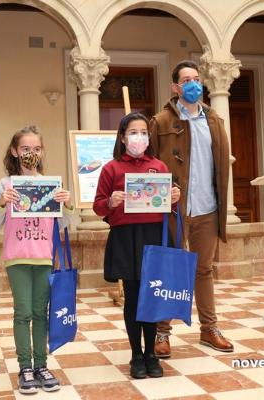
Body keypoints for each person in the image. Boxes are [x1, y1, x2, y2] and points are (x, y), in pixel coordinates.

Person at [149, 60, 234, 359]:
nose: (192, 84)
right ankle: (162, 331)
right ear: (175, 86)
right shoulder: (160, 122)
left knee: (204, 269)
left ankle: (209, 329)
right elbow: (150, 166)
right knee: (169, 267)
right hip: (174, 208)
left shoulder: (215, 121)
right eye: (186, 80)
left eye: (196, 79)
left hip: (207, 207)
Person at [93, 112, 180, 379]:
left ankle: (151, 354)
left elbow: (168, 205)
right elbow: (98, 206)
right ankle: (135, 355)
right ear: (122, 137)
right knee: (132, 297)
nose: (138, 137)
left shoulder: (159, 166)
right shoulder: (111, 168)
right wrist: (110, 202)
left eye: (143, 132)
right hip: (125, 237)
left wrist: (174, 197)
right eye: (133, 132)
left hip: (153, 235)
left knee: (152, 297)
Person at [0, 126, 73, 394]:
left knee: (41, 314)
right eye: (25, 149)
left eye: (36, 149)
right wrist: (2, 202)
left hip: (44, 258)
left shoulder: (50, 184)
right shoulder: (6, 184)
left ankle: (41, 365)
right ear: (15, 151)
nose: (30, 154)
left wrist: (66, 203)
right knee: (23, 313)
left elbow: (64, 225)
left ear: (42, 151)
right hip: (17, 258)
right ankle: (25, 367)